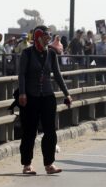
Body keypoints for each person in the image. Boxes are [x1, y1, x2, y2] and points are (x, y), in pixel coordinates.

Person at [18, 25, 72, 175]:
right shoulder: (27, 53)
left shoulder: (52, 54)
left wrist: (66, 93)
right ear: (37, 38)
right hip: (31, 97)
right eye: (45, 37)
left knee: (50, 131)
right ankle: (27, 164)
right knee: (29, 131)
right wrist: (22, 93)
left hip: (48, 96)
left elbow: (57, 74)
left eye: (49, 38)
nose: (47, 40)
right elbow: (21, 74)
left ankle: (49, 164)